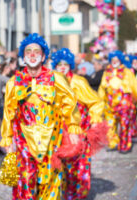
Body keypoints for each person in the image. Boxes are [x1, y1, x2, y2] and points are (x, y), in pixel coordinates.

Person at [0, 33, 83, 199]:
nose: (32, 55)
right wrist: (7, 138)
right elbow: (8, 112)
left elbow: (70, 103)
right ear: (23, 57)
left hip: (52, 138)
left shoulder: (56, 78)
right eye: (28, 51)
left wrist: (73, 127)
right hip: (24, 139)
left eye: (36, 51)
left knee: (51, 179)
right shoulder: (14, 82)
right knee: (25, 179)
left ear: (44, 56)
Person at [51, 48, 105, 199]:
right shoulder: (50, 83)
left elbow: (96, 102)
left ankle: (78, 196)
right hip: (59, 133)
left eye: (65, 64)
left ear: (70, 65)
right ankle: (64, 195)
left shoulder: (78, 82)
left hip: (79, 131)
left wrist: (94, 119)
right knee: (60, 167)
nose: (62, 67)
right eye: (59, 64)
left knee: (79, 165)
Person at [98, 50, 137, 153]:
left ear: (120, 60)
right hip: (110, 104)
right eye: (112, 60)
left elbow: (135, 86)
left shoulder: (127, 72)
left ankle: (125, 146)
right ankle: (113, 143)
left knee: (124, 126)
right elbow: (102, 88)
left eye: (116, 60)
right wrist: (100, 101)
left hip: (124, 104)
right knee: (109, 126)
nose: (114, 62)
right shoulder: (106, 72)